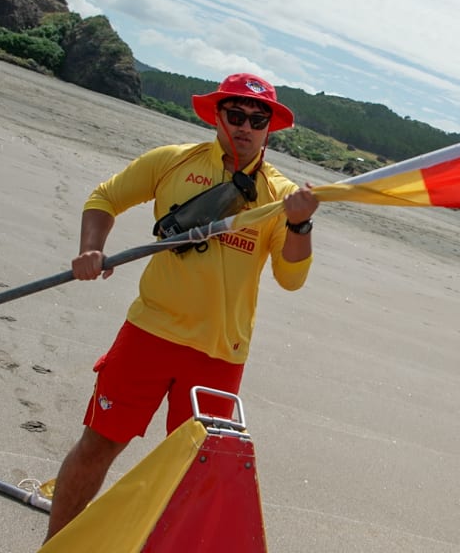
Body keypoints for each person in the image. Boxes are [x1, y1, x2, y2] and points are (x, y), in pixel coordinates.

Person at [44, 73, 319, 541]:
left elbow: (291, 278)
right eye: (236, 115)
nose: (245, 127)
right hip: (149, 335)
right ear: (217, 116)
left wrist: (300, 226)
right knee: (97, 446)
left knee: (188, 474)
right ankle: (54, 547)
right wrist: (92, 247)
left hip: (218, 353)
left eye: (258, 119)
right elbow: (105, 197)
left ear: (270, 128)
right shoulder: (174, 162)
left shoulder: (280, 195)